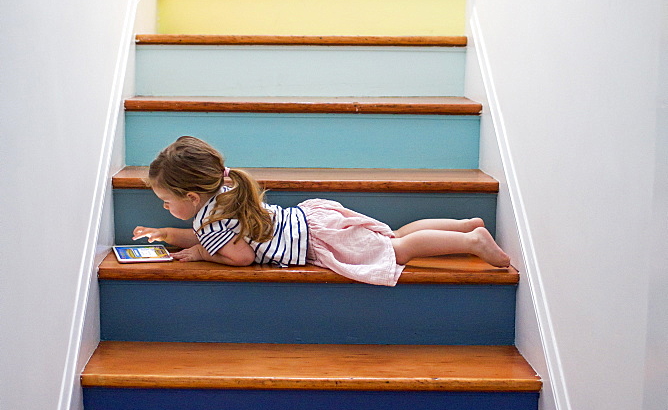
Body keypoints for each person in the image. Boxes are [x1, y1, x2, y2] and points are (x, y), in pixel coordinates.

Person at [133, 136, 510, 287]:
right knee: (392, 234)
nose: (166, 207)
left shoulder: (214, 222)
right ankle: (461, 225)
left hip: (317, 242)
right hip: (316, 221)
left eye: (167, 201)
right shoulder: (226, 192)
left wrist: (200, 253)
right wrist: (169, 235)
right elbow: (217, 235)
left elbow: (241, 256)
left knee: (399, 250)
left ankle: (472, 240)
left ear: (193, 197)